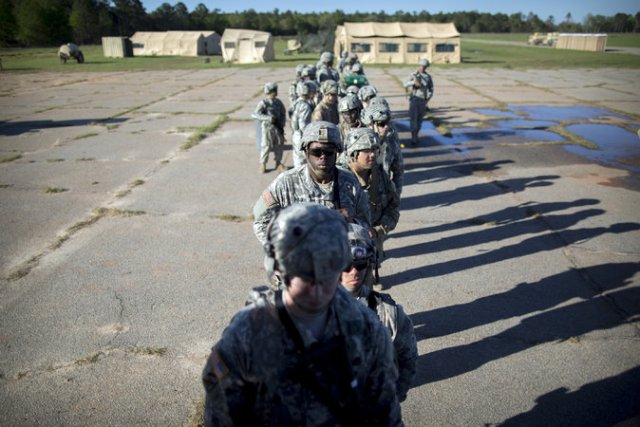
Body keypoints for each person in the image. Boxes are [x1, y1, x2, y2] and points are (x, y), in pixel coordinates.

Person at [203, 203, 403, 426]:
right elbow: (220, 412)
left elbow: (385, 412)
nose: (317, 285)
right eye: (305, 272)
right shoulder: (247, 332)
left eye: (327, 269)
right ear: (280, 270)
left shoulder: (364, 328)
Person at [253, 121, 371, 244]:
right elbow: (261, 222)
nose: (323, 157)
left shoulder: (349, 183)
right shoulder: (285, 183)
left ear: (336, 153)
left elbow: (366, 224)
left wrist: (351, 221)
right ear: (306, 152)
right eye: (316, 151)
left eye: (329, 152)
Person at [341, 222, 417, 402]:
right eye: (346, 265)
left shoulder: (388, 313)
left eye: (360, 265)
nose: (354, 272)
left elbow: (408, 358)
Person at [344, 128, 400, 286]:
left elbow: (393, 205)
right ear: (353, 153)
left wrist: (379, 230)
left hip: (374, 238)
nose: (373, 154)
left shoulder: (380, 175)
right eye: (367, 151)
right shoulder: (339, 179)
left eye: (375, 149)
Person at [365, 102, 404, 195]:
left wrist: (396, 195)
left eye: (387, 123)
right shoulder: (359, 145)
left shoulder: (391, 145)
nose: (386, 127)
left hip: (384, 195)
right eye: (381, 124)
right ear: (371, 125)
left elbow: (399, 172)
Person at [252, 82, 287, 174]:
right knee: (266, 146)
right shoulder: (264, 103)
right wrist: (268, 118)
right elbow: (255, 114)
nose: (276, 92)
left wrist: (282, 123)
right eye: (274, 91)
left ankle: (278, 163)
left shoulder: (278, 102)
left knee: (279, 146)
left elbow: (283, 112)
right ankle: (263, 164)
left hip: (278, 128)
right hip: (268, 128)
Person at [403, 58, 434, 145]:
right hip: (414, 99)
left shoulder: (428, 77)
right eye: (421, 66)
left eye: (424, 66)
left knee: (420, 120)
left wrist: (428, 98)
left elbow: (431, 89)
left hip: (423, 101)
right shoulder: (413, 75)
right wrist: (413, 82)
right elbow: (404, 84)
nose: (422, 68)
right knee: (414, 119)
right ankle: (413, 137)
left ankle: (416, 135)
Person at [290, 80, 316, 168]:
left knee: (297, 158)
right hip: (301, 135)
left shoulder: (296, 103)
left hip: (295, 133)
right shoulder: (305, 106)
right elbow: (303, 125)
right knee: (302, 161)